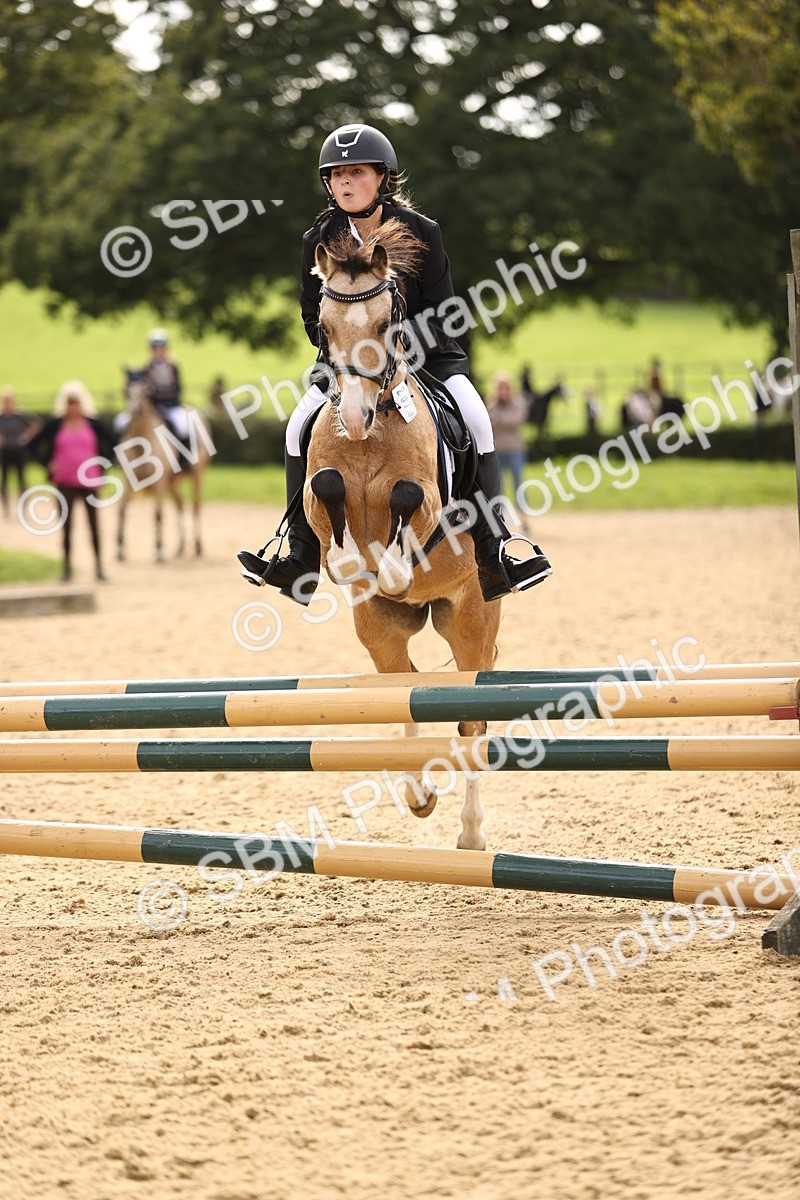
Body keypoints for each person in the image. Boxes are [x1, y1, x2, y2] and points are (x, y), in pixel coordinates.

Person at [239, 123, 552, 604]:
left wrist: (396, 352)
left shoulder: (422, 231)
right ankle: (298, 553)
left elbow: (444, 312)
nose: (345, 183)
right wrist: (345, 350)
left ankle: (496, 550)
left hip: (428, 360)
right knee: (296, 425)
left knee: (477, 419)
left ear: (382, 177)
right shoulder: (318, 239)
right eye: (336, 175)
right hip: (345, 367)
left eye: (356, 173)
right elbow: (309, 314)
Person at [28, 381, 114, 582]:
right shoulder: (56, 424)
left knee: (94, 525)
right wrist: (47, 463)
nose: (73, 407)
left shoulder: (93, 424)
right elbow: (32, 445)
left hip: (89, 482)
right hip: (64, 482)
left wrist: (102, 464)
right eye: (69, 402)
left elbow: (113, 443)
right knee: (66, 527)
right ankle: (67, 569)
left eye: (76, 402)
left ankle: (99, 567)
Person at [487, 375, 528, 503]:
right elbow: (489, 423)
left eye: (505, 387)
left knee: (518, 482)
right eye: (501, 388)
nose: (503, 391)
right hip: (498, 450)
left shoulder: (518, 403)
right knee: (499, 485)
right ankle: (502, 511)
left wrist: (499, 420)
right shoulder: (491, 405)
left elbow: (516, 421)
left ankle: (523, 509)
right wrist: (503, 420)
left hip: (515, 449)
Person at [0, 388, 40, 518]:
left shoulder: (20, 416)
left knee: (21, 480)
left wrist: (26, 437)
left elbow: (36, 424)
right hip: (5, 452)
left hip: (18, 452)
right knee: (4, 480)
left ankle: (22, 507)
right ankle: (6, 508)